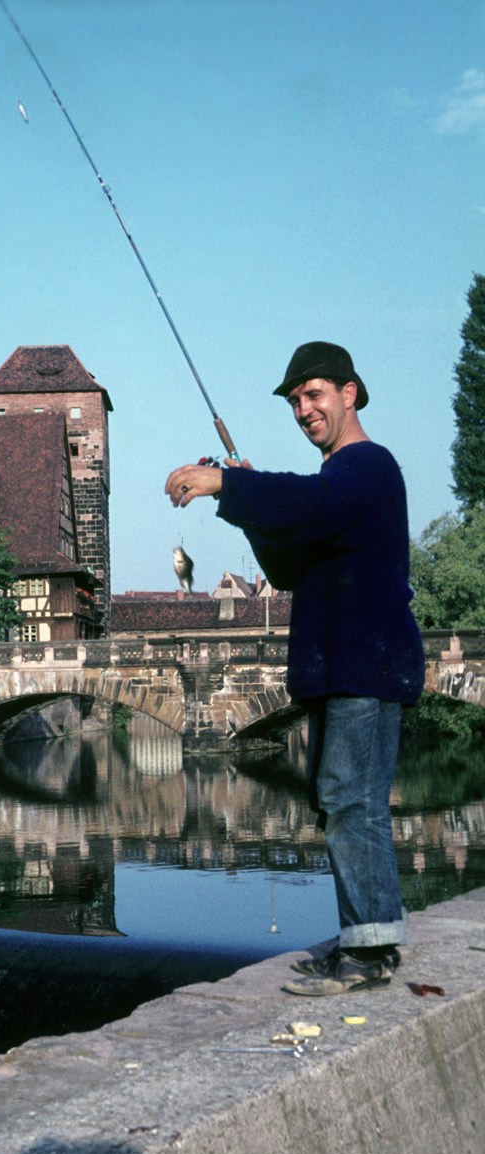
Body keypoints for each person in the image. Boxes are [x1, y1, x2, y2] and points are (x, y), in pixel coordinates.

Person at [165, 342, 426, 996]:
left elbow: (311, 506)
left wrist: (228, 482)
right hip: (342, 667)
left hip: (365, 665)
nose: (304, 409)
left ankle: (369, 954)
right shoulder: (335, 485)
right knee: (341, 800)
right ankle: (368, 937)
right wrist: (252, 502)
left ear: (350, 393)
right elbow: (286, 568)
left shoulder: (366, 466)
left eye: (313, 394)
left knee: (350, 799)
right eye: (294, 401)